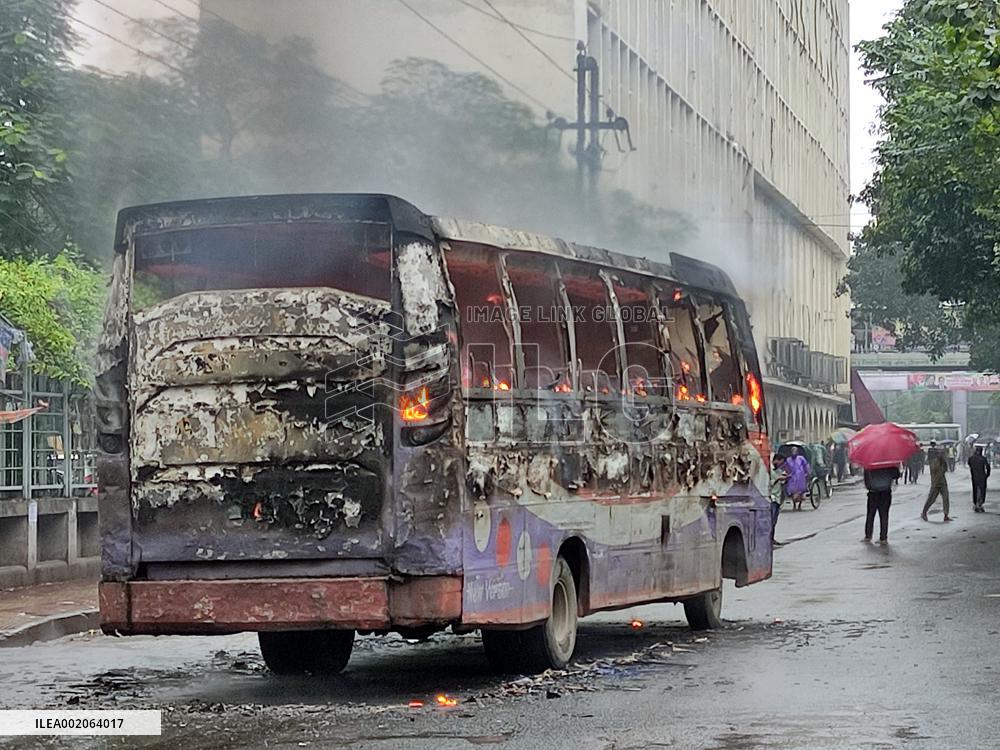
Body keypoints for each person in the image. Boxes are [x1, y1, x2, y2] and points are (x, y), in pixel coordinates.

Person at [863, 465, 901, 544]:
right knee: (884, 515)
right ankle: (883, 538)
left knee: (870, 515)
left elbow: (866, 477)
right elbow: (896, 475)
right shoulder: (889, 462)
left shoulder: (870, 462)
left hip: (873, 492)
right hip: (885, 492)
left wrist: (869, 487)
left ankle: (868, 536)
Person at [921, 441, 952, 522]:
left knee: (945, 498)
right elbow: (935, 472)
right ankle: (924, 512)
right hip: (936, 482)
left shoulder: (943, 462)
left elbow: (945, 469)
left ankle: (946, 514)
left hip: (942, 482)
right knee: (931, 498)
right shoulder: (934, 462)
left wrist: (944, 462)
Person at [769, 454, 789, 545]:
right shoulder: (769, 471)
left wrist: (785, 477)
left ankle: (772, 538)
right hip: (771, 497)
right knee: (771, 520)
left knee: (774, 521)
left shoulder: (779, 471)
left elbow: (783, 482)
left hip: (777, 498)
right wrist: (778, 478)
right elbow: (770, 483)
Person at [784, 446, 811, 510]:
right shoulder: (788, 459)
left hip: (801, 476)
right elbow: (786, 467)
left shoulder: (801, 458)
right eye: (793, 451)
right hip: (792, 477)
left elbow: (806, 465)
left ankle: (799, 505)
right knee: (793, 491)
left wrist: (807, 472)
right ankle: (794, 505)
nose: (794, 453)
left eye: (795, 451)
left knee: (801, 491)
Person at [968, 446, 991, 513]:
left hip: (974, 477)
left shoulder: (971, 458)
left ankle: (976, 504)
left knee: (975, 490)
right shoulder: (983, 459)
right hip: (982, 477)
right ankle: (980, 504)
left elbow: (969, 465)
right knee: (982, 490)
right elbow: (988, 467)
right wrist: (987, 475)